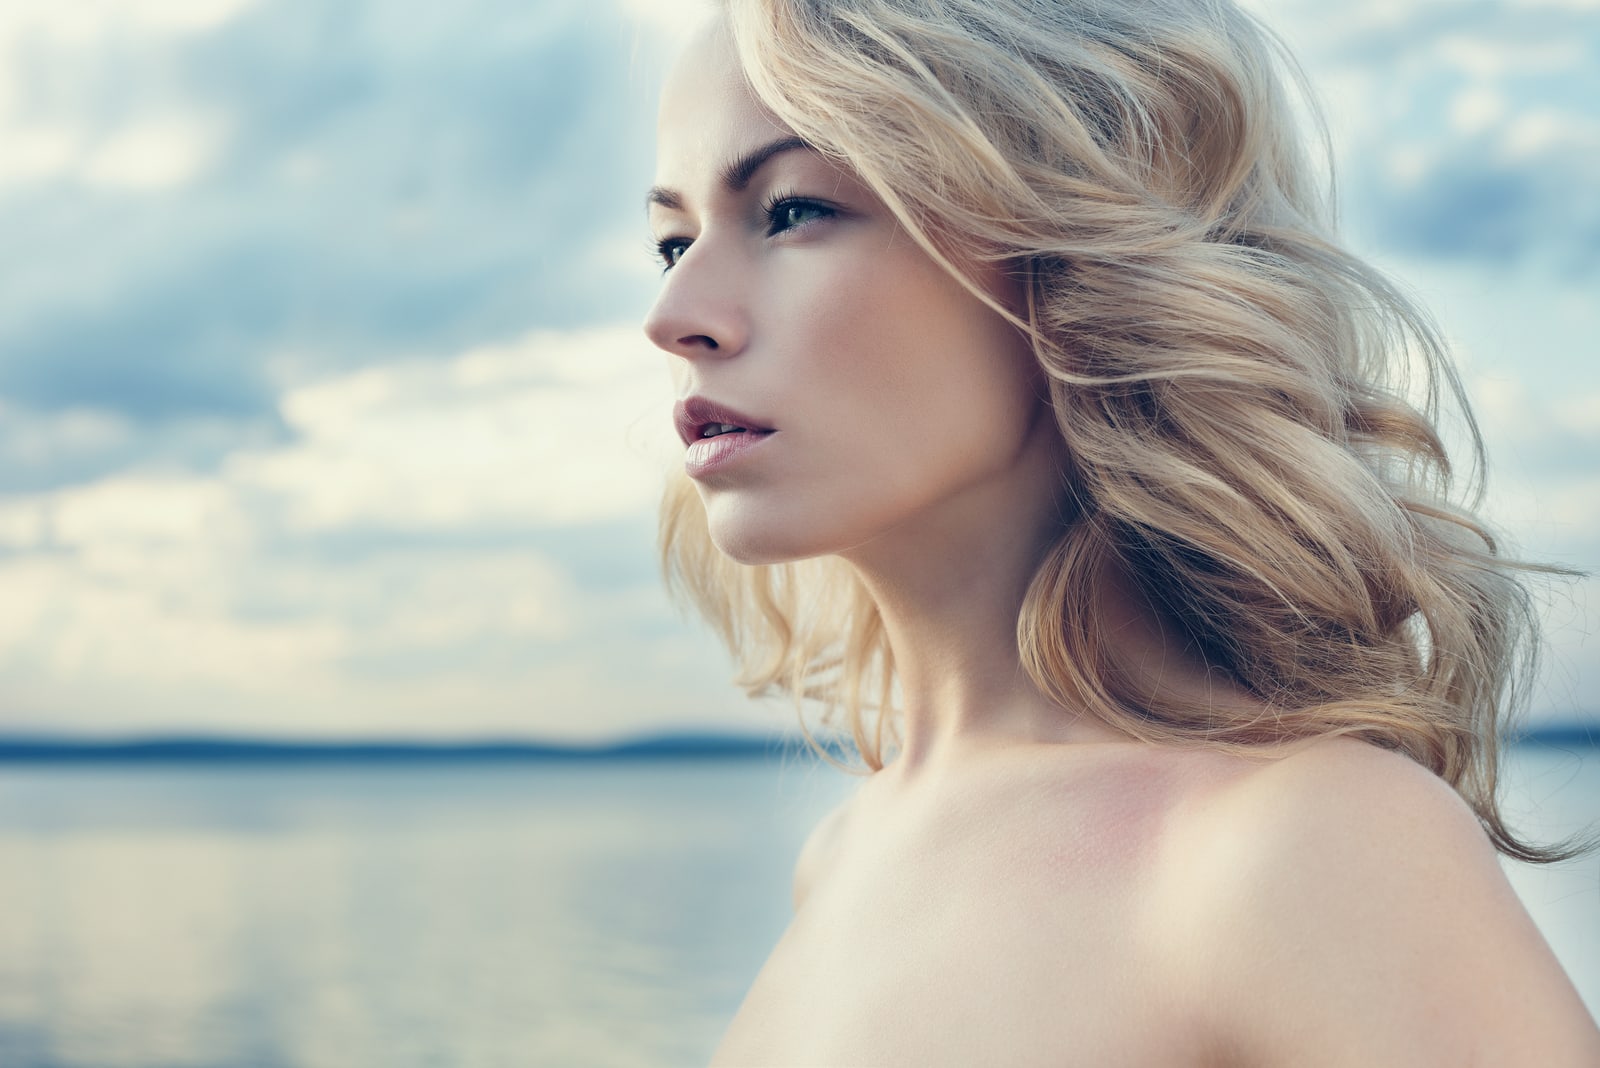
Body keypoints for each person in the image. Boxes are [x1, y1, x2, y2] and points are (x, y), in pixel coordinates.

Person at [642, 0, 1600, 1063]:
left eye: (789, 211)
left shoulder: (1309, 847)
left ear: (1065, 245)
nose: (673, 311)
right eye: (671, 240)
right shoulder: (844, 854)